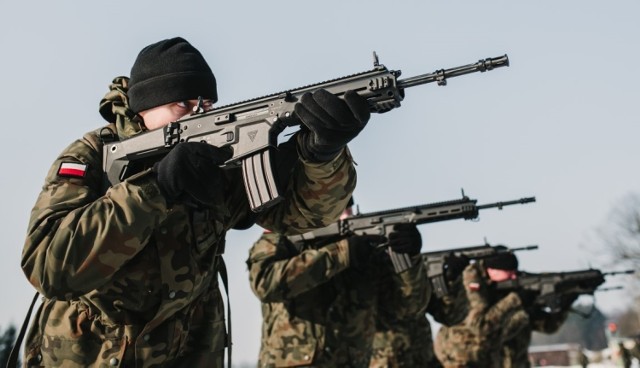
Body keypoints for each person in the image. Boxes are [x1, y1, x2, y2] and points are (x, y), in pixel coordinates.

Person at [20, 36, 368, 367]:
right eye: (183, 104)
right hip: (93, 354)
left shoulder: (215, 163)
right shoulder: (93, 157)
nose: (197, 114)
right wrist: (156, 187)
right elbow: (49, 267)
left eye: (207, 105)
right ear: (146, 106)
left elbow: (301, 217)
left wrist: (321, 154)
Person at [246, 201, 430, 367]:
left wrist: (410, 259)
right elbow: (265, 283)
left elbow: (408, 309)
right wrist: (341, 254)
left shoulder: (366, 254)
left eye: (348, 208)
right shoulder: (283, 237)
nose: (346, 216)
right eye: (338, 209)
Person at [433, 252, 530, 367]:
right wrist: (514, 299)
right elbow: (479, 325)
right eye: (509, 272)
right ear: (493, 270)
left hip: (485, 358)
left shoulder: (494, 285)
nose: (514, 277)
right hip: (459, 359)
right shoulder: (471, 279)